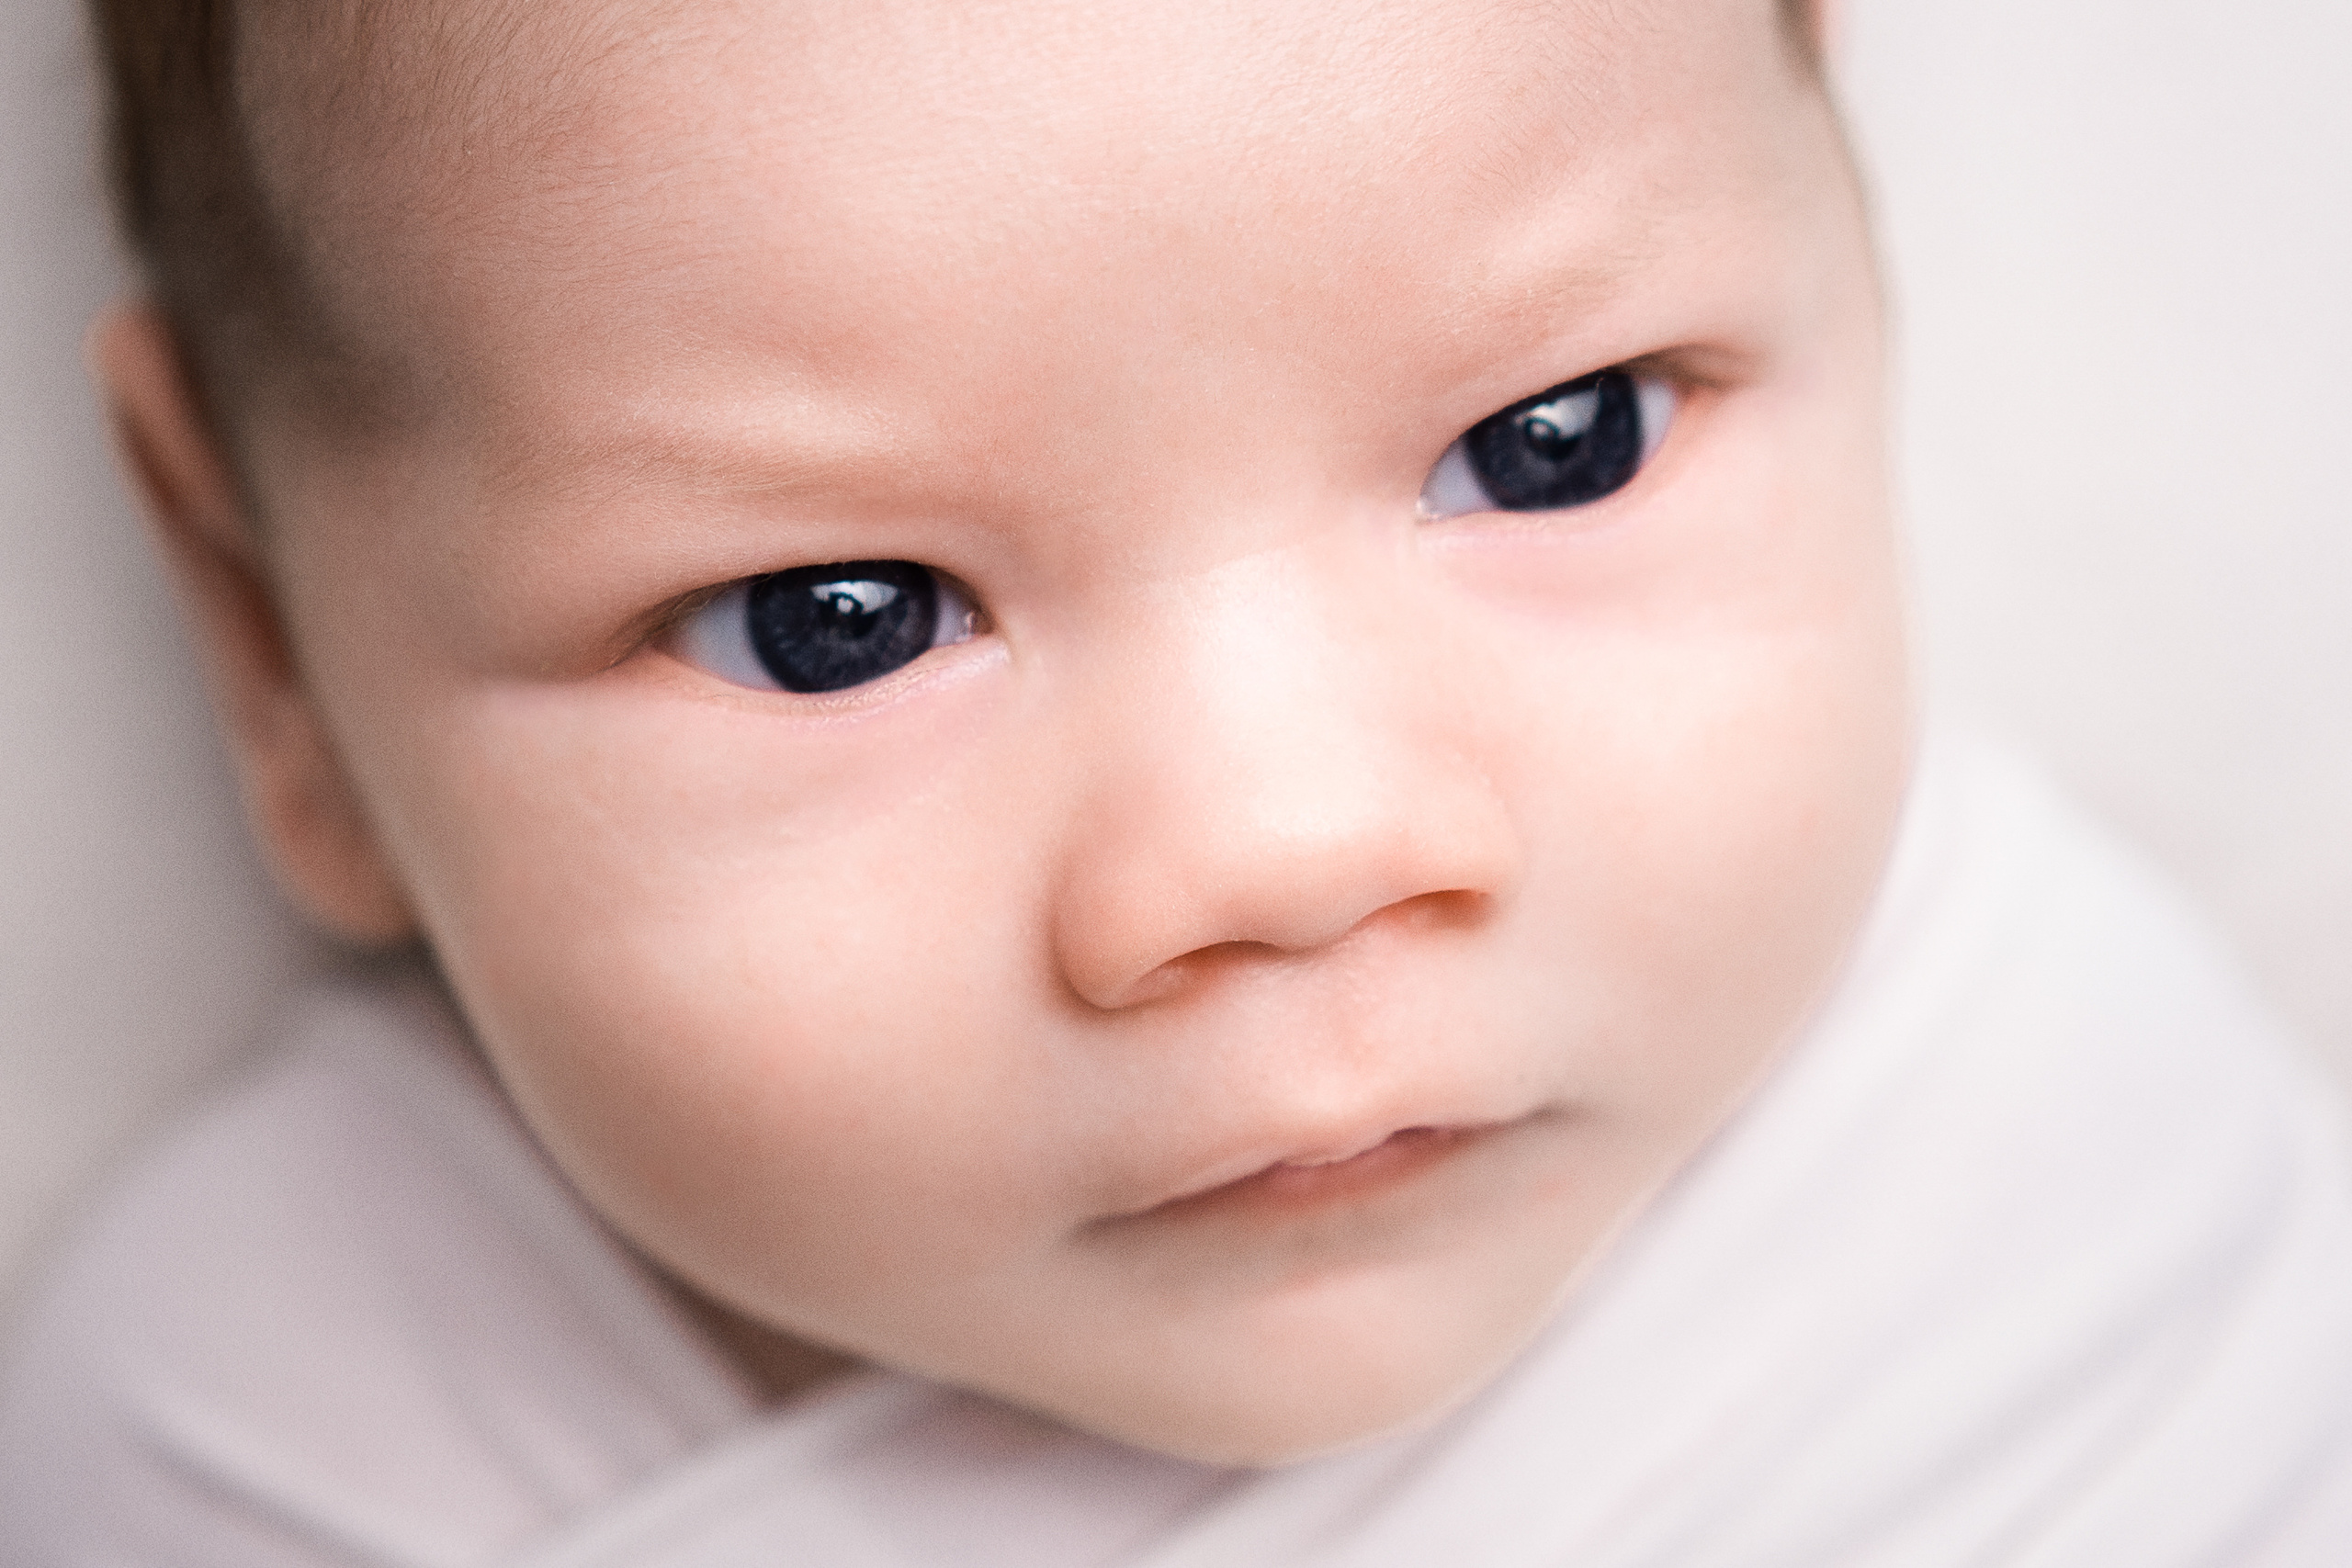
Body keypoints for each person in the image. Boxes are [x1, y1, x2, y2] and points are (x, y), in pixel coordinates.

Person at [5, 0, 2350, 1560]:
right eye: (843, 614)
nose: (1291, 849)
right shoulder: (240, 1433)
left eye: (1554, 444)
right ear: (269, 640)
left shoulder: (2061, 1165)